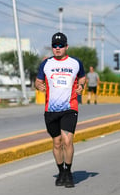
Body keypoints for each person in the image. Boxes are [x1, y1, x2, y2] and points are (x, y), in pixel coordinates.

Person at [35, 32, 86, 187]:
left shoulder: (75, 63)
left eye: (61, 46)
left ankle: (68, 172)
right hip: (51, 109)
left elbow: (82, 77)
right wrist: (39, 85)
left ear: (66, 46)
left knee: (67, 140)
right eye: (55, 46)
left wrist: (81, 86)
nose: (57, 49)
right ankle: (61, 171)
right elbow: (37, 81)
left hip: (70, 107)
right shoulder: (46, 64)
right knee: (57, 142)